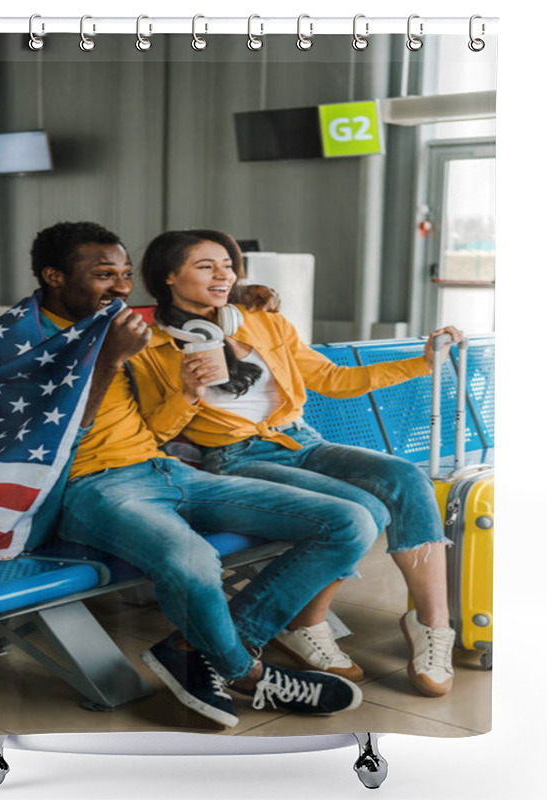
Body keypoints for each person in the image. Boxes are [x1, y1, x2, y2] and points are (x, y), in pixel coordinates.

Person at [19, 221, 384, 728]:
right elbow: (43, 437)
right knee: (194, 556)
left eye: (125, 274)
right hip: (93, 486)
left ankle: (191, 646)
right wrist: (110, 362)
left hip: (164, 469)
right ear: (54, 276)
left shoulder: (113, 322)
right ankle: (246, 672)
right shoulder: (17, 344)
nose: (123, 286)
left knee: (351, 521)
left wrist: (233, 310)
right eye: (106, 274)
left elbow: (164, 366)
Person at [133, 228, 464, 698]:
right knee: (362, 508)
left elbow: (332, 378)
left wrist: (423, 361)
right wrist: (187, 393)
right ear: (168, 277)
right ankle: (302, 625)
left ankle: (432, 624)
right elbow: (154, 431)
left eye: (228, 265)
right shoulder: (149, 347)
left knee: (405, 477)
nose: (222, 274)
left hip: (300, 441)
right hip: (234, 457)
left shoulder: (263, 322)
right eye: (205, 266)